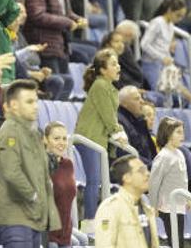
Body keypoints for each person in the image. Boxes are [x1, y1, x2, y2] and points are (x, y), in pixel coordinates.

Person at [0, 79, 60, 246]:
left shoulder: (31, 132)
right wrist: (33, 196)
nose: (35, 106)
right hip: (16, 218)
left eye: (36, 101)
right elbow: (11, 172)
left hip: (31, 217)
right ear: (14, 105)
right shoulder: (10, 131)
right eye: (29, 102)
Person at [74, 49, 127, 220]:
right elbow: (108, 116)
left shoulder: (108, 87)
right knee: (93, 181)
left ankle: (98, 222)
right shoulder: (100, 86)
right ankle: (90, 224)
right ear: (103, 70)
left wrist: (118, 131)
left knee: (98, 182)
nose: (118, 66)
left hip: (98, 139)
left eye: (118, 63)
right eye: (113, 64)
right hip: (89, 138)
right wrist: (119, 132)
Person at [94, 155, 160, 248]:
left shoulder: (147, 209)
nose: (148, 174)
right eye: (141, 170)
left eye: (146, 169)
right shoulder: (110, 208)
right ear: (127, 178)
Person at [148, 117, 188, 248]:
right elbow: (154, 183)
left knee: (178, 240)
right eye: (178, 132)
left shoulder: (180, 154)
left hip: (179, 205)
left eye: (183, 132)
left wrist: (188, 198)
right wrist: (153, 205)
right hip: (168, 206)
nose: (182, 135)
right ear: (168, 133)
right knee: (175, 241)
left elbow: (183, 179)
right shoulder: (163, 156)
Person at [140, 0, 187, 89]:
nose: (180, 19)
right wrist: (162, 58)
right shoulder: (157, 22)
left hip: (162, 64)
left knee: (171, 92)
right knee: (160, 92)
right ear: (169, 10)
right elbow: (144, 44)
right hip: (150, 64)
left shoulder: (170, 25)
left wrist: (169, 59)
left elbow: (164, 47)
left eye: (182, 16)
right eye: (178, 15)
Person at [45, 122, 78, 248]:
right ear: (46, 140)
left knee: (83, 240)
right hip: (49, 234)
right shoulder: (42, 163)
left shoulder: (68, 164)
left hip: (65, 231)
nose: (61, 143)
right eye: (56, 138)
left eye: (64, 139)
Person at [117, 86, 156, 165]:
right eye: (137, 99)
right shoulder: (119, 121)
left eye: (141, 98)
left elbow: (150, 150)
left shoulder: (140, 119)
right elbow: (126, 154)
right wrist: (152, 166)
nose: (142, 101)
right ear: (124, 103)